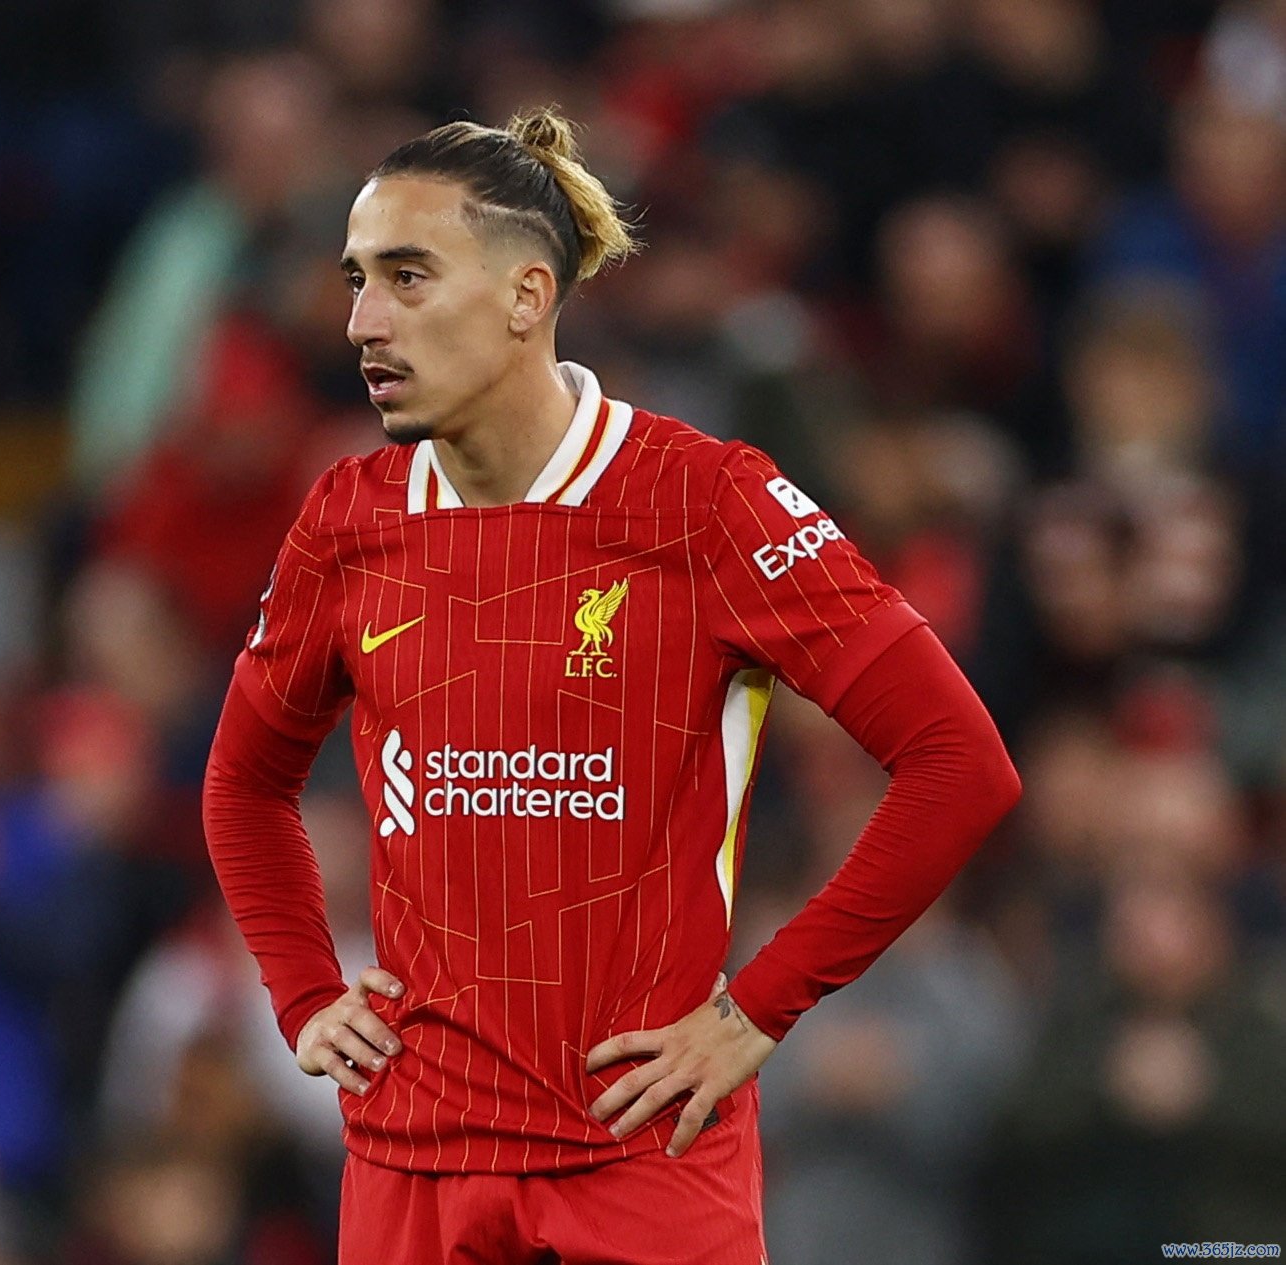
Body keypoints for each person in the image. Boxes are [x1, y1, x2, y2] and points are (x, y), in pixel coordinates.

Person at [201, 106, 1022, 1265]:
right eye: (355, 280)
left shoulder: (705, 502)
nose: (363, 322)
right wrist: (300, 990)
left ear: (526, 296)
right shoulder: (348, 518)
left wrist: (760, 1006)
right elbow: (244, 782)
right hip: (411, 1164)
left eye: (407, 277)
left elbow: (959, 763)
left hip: (643, 1158)